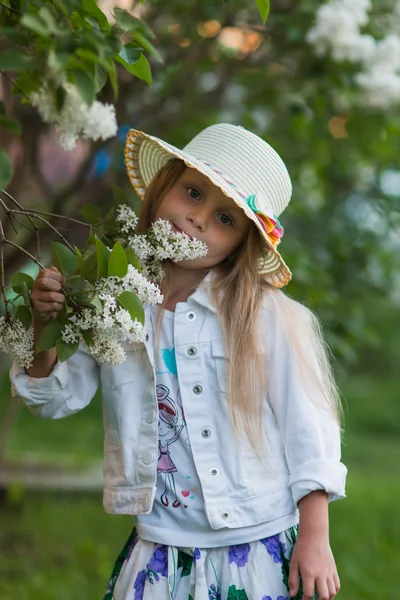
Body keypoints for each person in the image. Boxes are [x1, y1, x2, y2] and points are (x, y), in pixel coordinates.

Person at [10, 123, 347, 600]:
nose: (198, 219)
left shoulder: (267, 316)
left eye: (225, 219)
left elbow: (308, 430)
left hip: (254, 544)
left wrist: (315, 536)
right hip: (161, 549)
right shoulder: (111, 299)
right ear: (164, 184)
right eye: (192, 193)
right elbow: (53, 400)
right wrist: (45, 326)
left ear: (243, 243)